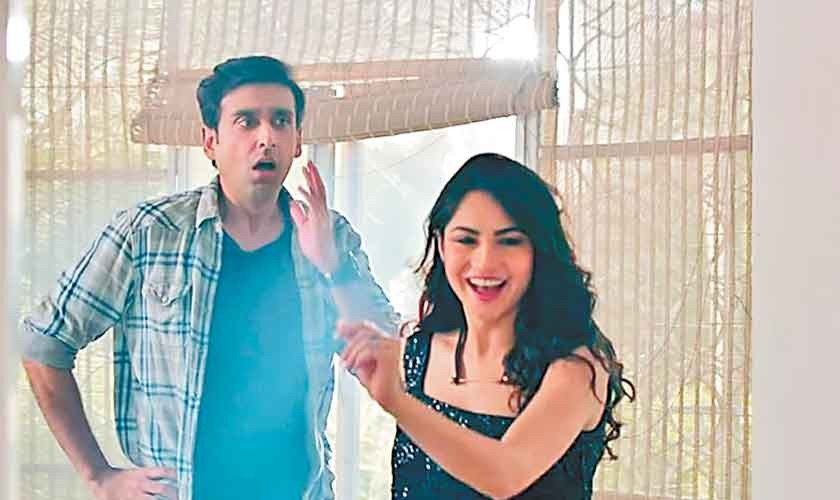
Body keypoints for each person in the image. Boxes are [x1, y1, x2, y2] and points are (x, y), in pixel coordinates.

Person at [20, 55, 397, 500]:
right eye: (246, 122)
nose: (266, 137)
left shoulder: (332, 235)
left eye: (281, 121)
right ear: (210, 141)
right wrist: (99, 475)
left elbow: (393, 359)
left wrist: (333, 266)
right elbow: (43, 341)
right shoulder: (150, 232)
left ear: (297, 141)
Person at [339, 153, 635, 499]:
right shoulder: (419, 353)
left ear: (538, 251)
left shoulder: (575, 370)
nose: (485, 262)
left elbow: (505, 474)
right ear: (441, 245)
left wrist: (398, 402)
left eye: (509, 241)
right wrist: (330, 261)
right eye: (466, 240)